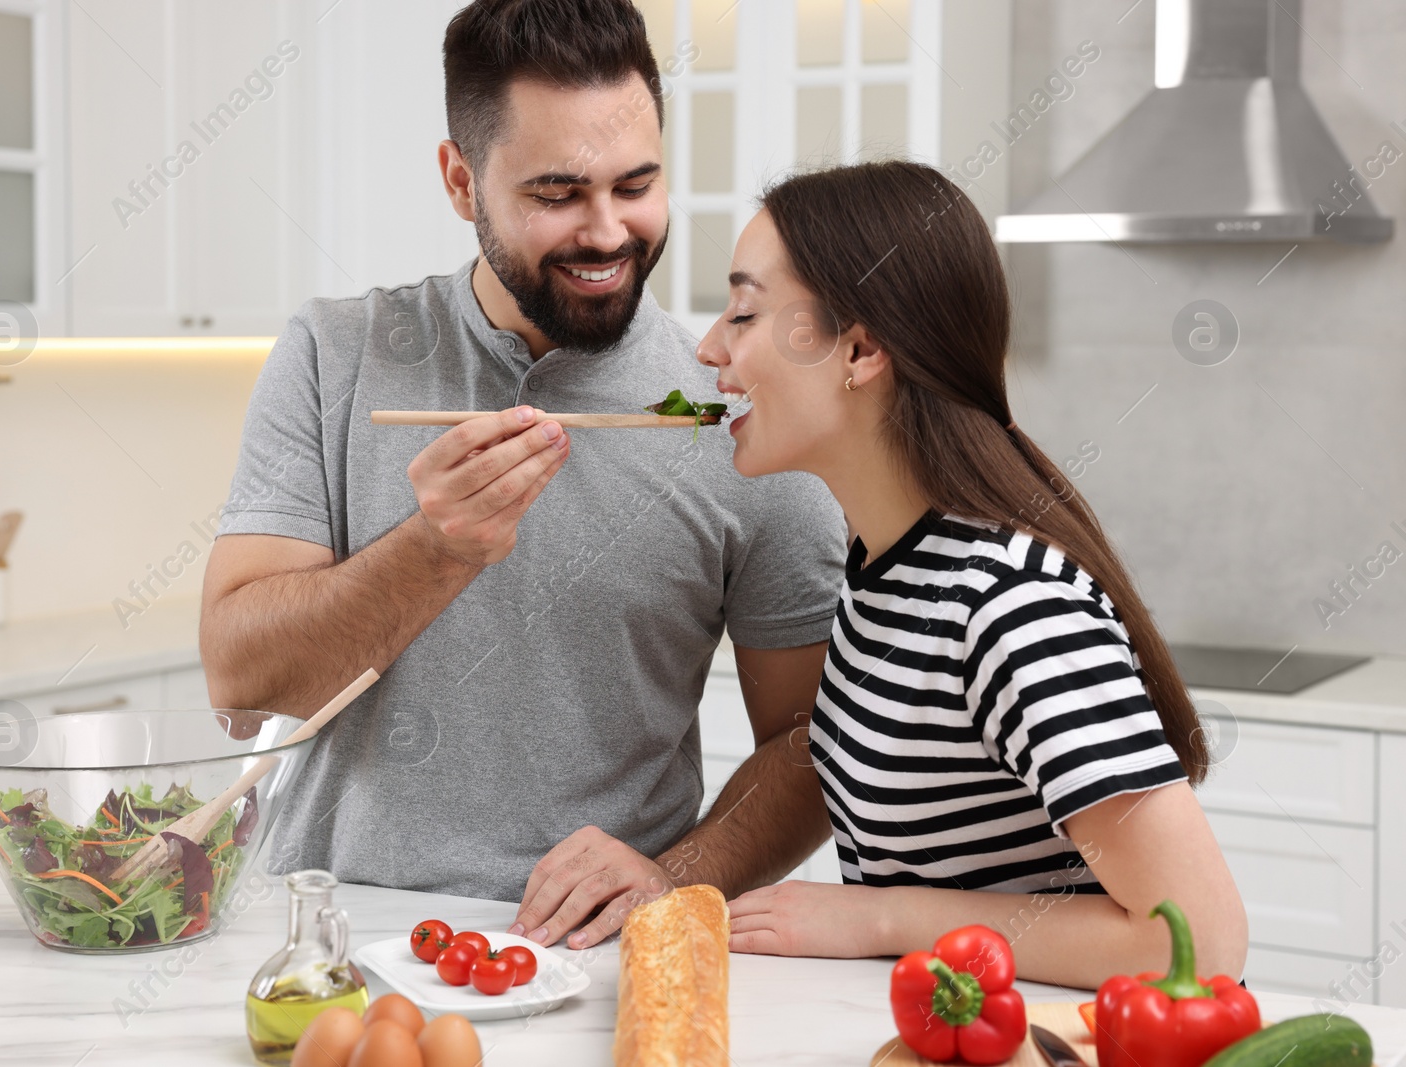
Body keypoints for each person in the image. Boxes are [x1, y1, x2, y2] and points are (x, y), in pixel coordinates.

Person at [201, 0, 847, 949]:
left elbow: (809, 745)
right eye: (557, 194)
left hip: (593, 952)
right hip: (325, 936)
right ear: (462, 182)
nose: (607, 232)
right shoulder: (336, 356)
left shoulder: (738, 409)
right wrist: (432, 550)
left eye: (637, 184)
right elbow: (240, 685)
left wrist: (674, 878)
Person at [695, 160, 1248, 988]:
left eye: (744, 311)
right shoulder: (881, 564)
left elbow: (1199, 946)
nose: (710, 347)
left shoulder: (1007, 602)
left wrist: (884, 918)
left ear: (861, 346)